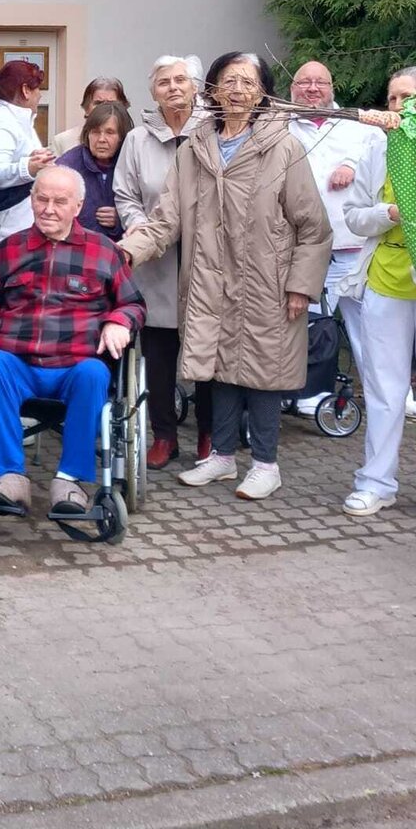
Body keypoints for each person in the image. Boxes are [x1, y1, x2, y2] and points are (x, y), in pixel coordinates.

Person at [118, 51, 331, 502]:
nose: (237, 91)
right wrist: (125, 252)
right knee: (220, 367)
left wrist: (301, 285)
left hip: (267, 282)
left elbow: (313, 226)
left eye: (248, 83)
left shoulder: (283, 148)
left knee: (264, 371)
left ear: (263, 93)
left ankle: (266, 465)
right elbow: (165, 220)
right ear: (212, 90)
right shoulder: (194, 149)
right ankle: (222, 455)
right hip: (209, 279)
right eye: (229, 81)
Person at [0, 166, 146, 515]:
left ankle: (69, 480)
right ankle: (9, 477)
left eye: (59, 202)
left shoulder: (104, 251)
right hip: (18, 361)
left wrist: (119, 322)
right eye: (42, 199)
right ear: (31, 199)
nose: (48, 209)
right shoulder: (8, 250)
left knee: (95, 373)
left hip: (76, 364)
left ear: (78, 206)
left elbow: (133, 304)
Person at [338, 67, 416, 528]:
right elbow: (354, 216)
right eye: (390, 99)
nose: (396, 107)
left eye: (406, 97)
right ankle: (375, 483)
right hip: (385, 278)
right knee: (384, 389)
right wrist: (389, 212)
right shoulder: (377, 147)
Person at [115, 56, 213, 469]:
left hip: (205, 256)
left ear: (195, 87)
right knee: (158, 352)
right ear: (153, 92)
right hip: (155, 258)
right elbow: (125, 193)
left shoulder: (212, 131)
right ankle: (164, 436)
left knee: (206, 349)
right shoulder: (138, 139)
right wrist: (140, 226)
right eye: (163, 83)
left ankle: (210, 434)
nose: (172, 88)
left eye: (180, 80)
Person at [285, 60, 382, 415]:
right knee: (310, 327)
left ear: (332, 87)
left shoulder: (358, 125)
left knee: (372, 327)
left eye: (320, 82)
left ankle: (387, 396)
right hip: (305, 250)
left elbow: (380, 156)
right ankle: (309, 393)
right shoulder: (279, 126)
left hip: (355, 248)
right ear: (292, 88)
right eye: (304, 82)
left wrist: (351, 165)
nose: (312, 89)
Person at [0, 60, 53, 243]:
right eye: (38, 89)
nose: (40, 95)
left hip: (21, 233)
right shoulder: (1, 122)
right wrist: (28, 168)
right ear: (26, 90)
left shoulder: (22, 122)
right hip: (4, 238)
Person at [57, 101, 133, 240]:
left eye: (110, 132)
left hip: (124, 248)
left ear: (122, 137)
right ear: (87, 134)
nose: (101, 139)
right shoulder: (66, 167)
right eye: (96, 132)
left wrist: (122, 218)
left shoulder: (133, 163)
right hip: (76, 247)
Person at [51, 76, 130, 155]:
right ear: (86, 108)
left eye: (111, 103)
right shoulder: (63, 141)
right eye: (98, 103)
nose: (103, 108)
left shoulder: (131, 140)